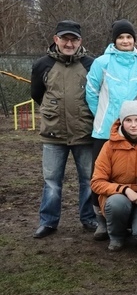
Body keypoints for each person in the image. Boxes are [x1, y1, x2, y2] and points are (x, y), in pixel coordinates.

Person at [86, 19, 137, 239]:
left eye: (129, 37)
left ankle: (133, 215)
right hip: (104, 131)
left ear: (134, 40)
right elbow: (91, 92)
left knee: (131, 172)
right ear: (114, 40)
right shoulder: (101, 63)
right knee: (100, 174)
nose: (125, 41)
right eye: (121, 37)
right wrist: (102, 116)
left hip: (134, 130)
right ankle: (101, 220)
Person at [31, 20, 97, 238]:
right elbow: (37, 95)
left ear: (80, 41)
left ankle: (89, 218)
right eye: (65, 39)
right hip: (53, 134)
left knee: (88, 179)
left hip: (84, 132)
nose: (69, 43)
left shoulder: (90, 64)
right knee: (51, 181)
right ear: (56, 40)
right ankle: (48, 221)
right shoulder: (42, 65)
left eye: (73, 39)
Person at [90, 101, 137, 252]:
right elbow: (97, 182)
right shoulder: (109, 146)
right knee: (117, 203)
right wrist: (124, 190)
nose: (133, 125)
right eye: (128, 120)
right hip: (118, 197)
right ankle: (117, 236)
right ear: (121, 122)